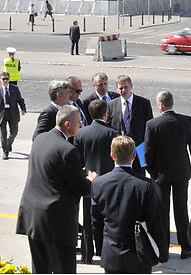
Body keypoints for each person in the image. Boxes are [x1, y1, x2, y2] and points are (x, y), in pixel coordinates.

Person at [16, 106, 97, 274]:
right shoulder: (68, 151)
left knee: (40, 269)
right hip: (56, 223)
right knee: (64, 270)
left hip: (34, 217)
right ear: (67, 124)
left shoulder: (40, 139)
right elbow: (83, 188)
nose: (81, 124)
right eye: (78, 121)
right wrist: (91, 181)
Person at [91, 136, 168, 273]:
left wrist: (100, 249)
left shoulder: (98, 184)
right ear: (134, 156)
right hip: (139, 256)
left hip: (111, 256)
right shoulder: (145, 185)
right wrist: (162, 254)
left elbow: (96, 222)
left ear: (112, 156)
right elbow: (155, 222)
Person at [144, 90, 191, 259]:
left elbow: (148, 153)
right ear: (172, 103)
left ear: (160, 105)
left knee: (162, 211)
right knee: (181, 210)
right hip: (181, 172)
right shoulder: (185, 120)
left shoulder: (152, 124)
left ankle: (164, 249)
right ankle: (185, 247)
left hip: (161, 175)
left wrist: (152, 172)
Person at [74, 99, 119, 264]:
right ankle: (104, 253)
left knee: (88, 220)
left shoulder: (81, 133)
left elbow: (77, 160)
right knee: (107, 221)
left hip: (89, 184)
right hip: (108, 185)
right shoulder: (113, 133)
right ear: (106, 114)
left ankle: (87, 255)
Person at [106, 75, 153, 173]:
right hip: (119, 149)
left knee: (139, 176)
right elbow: (108, 126)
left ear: (131, 86)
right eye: (120, 88)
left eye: (126, 87)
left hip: (138, 148)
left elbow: (149, 127)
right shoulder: (112, 105)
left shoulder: (143, 103)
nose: (123, 90)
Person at [0, 72, 27, 160]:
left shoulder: (14, 89)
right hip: (2, 114)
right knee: (3, 135)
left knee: (14, 132)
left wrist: (23, 109)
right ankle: (5, 152)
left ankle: (9, 143)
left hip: (13, 113)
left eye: (7, 79)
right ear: (0, 80)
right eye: (3, 79)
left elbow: (20, 100)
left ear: (9, 79)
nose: (5, 81)